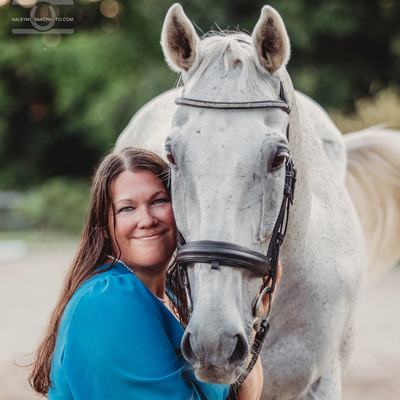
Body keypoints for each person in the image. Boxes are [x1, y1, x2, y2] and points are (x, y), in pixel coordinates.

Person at [29, 147, 279, 399]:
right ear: (104, 227)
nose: (146, 219)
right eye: (127, 208)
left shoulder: (176, 296)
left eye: (158, 201)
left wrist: (252, 315)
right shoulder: (107, 301)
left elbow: (238, 392)